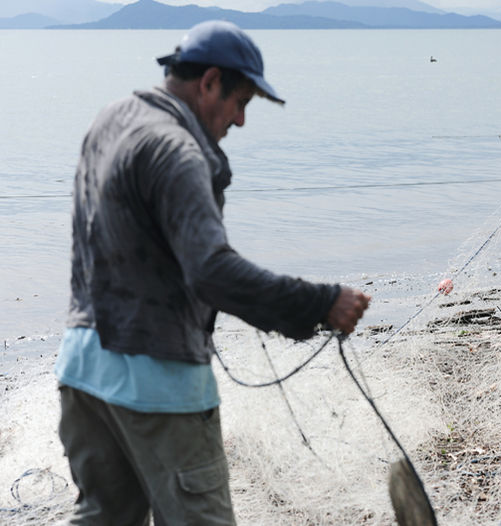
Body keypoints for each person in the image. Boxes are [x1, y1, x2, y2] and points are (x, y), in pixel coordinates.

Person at [55, 20, 370, 525]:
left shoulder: (111, 118)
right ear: (208, 82)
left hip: (81, 371)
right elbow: (211, 273)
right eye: (240, 102)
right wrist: (321, 303)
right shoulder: (178, 151)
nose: (240, 121)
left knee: (101, 517)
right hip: (156, 379)